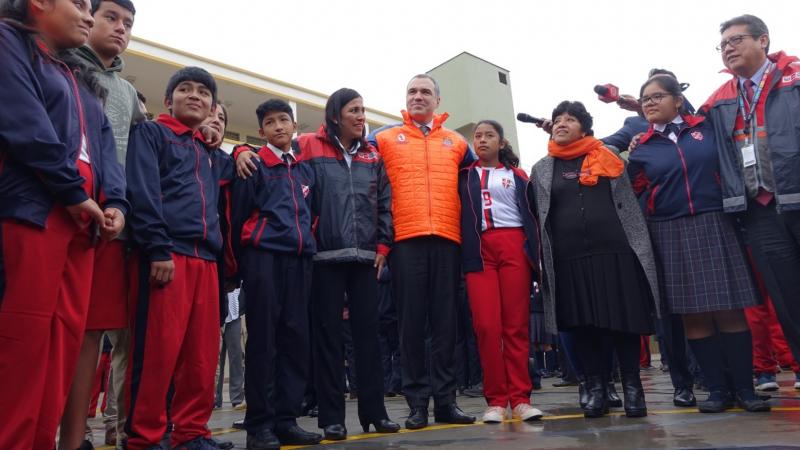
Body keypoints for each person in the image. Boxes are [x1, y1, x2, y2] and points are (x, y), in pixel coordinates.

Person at [0, 1, 129, 448]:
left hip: (83, 227)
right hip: (33, 213)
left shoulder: (81, 79)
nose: (89, 17)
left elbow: (107, 152)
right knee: (21, 342)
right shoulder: (9, 43)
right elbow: (25, 124)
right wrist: (73, 191)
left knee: (62, 347)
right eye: (80, 4)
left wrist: (117, 204)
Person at [628, 74, 769, 413]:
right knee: (694, 316)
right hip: (669, 231)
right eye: (645, 99)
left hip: (715, 221)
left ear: (678, 100)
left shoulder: (706, 129)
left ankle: (745, 389)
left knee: (730, 310)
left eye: (657, 96)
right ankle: (717, 390)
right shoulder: (640, 148)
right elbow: (634, 193)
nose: (650, 103)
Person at [529, 101, 659, 419]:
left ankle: (632, 387)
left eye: (570, 119)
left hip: (615, 252)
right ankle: (596, 387)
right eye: (558, 119)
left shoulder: (608, 155)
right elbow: (538, 214)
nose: (561, 123)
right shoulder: (542, 168)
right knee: (584, 326)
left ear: (585, 128)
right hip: (568, 258)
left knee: (624, 322)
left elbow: (629, 198)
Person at [124, 66, 230, 450]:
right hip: (167, 255)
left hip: (207, 261)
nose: (194, 95)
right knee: (157, 351)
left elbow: (241, 175)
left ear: (212, 108)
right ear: (168, 100)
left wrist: (236, 147)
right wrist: (157, 247)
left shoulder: (209, 150)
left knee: (201, 356)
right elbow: (142, 191)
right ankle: (144, 437)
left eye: (203, 92)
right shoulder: (151, 133)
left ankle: (191, 433)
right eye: (185, 89)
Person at [366, 74, 477, 430]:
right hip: (405, 239)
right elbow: (351, 157)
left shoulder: (458, 142)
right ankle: (416, 403)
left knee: (446, 325)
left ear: (437, 101)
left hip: (448, 238)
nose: (418, 96)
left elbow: (479, 177)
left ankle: (446, 402)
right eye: (412, 91)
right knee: (411, 325)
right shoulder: (382, 137)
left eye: (425, 91)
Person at [60, 0, 143, 447]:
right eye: (111, 17)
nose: (119, 28)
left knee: (92, 333)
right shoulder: (58, 66)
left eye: (128, 23)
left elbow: (146, 150)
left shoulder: (128, 93)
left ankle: (74, 437)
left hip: (112, 226)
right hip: (58, 215)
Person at [701, 13, 800, 379]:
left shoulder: (794, 78)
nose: (728, 49)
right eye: (722, 45)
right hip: (760, 211)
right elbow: (685, 127)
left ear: (763, 40)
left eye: (736, 40)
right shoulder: (721, 98)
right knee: (786, 298)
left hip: (796, 195)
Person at [298, 88, 400, 439]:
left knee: (368, 338)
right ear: (335, 115)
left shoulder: (373, 155)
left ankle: (375, 413)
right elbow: (278, 162)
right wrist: (241, 152)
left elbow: (385, 202)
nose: (361, 117)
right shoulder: (308, 145)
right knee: (328, 340)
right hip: (324, 258)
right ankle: (332, 419)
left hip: (367, 259)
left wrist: (383, 246)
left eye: (362, 110)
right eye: (354, 110)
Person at [230, 99, 322, 449]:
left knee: (295, 341)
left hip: (299, 261)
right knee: (263, 343)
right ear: (261, 131)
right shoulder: (253, 165)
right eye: (270, 122)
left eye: (284, 120)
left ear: (295, 126)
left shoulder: (304, 171)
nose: (279, 126)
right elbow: (239, 216)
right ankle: (259, 426)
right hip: (263, 259)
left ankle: (286, 420)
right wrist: (240, 265)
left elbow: (311, 215)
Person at [458, 120, 543, 423]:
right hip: (479, 250)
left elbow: (534, 215)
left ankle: (520, 399)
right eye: (477, 136)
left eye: (489, 135)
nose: (481, 140)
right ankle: (496, 400)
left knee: (516, 325)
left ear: (502, 143)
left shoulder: (518, 176)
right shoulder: (463, 176)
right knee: (486, 326)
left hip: (514, 245)